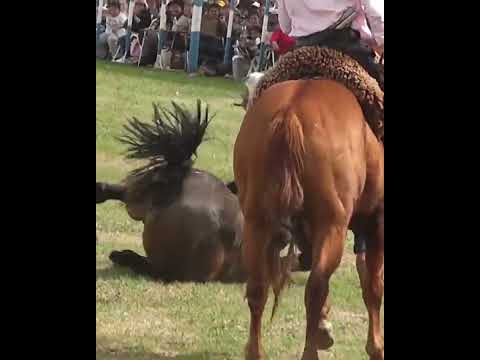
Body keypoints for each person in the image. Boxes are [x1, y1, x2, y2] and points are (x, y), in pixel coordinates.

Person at [277, 0, 384, 91]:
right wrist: (381, 40)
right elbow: (374, 10)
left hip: (302, 50)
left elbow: (285, 26)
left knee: (267, 85)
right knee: (378, 90)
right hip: (343, 45)